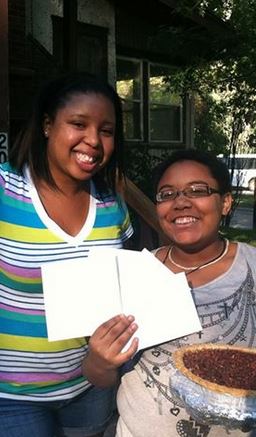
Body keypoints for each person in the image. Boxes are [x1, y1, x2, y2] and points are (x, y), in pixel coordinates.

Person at [83, 149, 256, 437]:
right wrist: (99, 361)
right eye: (167, 194)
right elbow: (100, 377)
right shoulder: (133, 273)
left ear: (226, 202)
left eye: (197, 190)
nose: (180, 202)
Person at [0, 73, 139, 437]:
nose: (93, 140)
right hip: (13, 394)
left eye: (106, 130)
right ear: (48, 125)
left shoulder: (111, 204)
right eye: (78, 123)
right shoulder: (5, 190)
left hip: (90, 385)